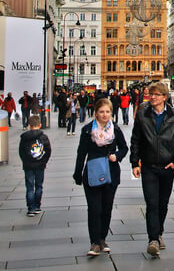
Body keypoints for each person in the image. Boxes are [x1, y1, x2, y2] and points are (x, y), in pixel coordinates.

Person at [130, 82, 174, 258]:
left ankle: (159, 233)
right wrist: (134, 163)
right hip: (148, 166)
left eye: (156, 95)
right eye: (150, 94)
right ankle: (153, 239)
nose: (152, 97)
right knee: (152, 203)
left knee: (163, 203)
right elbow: (135, 140)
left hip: (167, 167)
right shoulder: (142, 115)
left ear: (164, 97)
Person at [73, 99, 128, 256]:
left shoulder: (115, 130)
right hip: (92, 173)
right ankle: (95, 242)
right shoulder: (87, 130)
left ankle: (102, 238)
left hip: (111, 172)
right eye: (102, 112)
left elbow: (124, 148)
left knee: (106, 208)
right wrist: (78, 173)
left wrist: (116, 156)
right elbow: (81, 153)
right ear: (96, 112)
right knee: (94, 208)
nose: (105, 115)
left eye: (108, 112)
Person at [19, 114, 51, 216]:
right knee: (39, 186)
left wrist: (25, 161)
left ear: (29, 125)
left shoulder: (24, 138)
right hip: (40, 165)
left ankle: (30, 208)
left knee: (29, 187)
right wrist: (44, 161)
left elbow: (21, 151)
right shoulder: (44, 137)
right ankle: (37, 205)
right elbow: (48, 150)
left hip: (28, 165)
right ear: (40, 125)